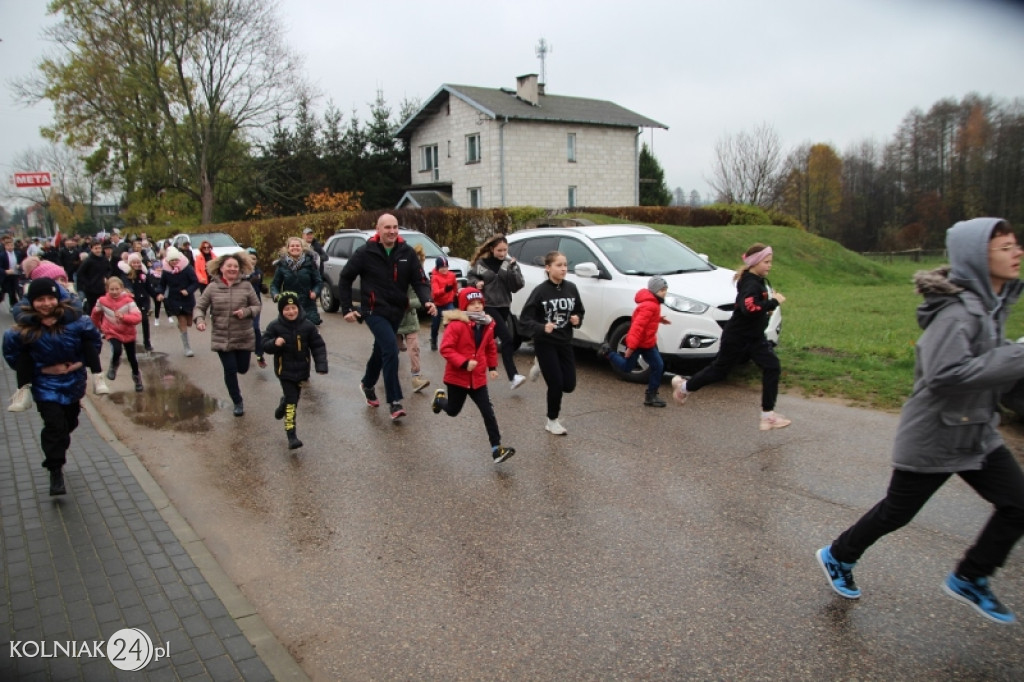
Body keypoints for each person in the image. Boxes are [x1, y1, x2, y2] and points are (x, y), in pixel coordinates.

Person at [816, 217, 1024, 625]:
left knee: (1019, 504)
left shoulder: (990, 307)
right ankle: (838, 555)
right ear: (977, 259)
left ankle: (971, 576)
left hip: (977, 432)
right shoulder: (957, 314)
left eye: (1016, 244)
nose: (1017, 253)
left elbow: (991, 370)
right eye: (1005, 247)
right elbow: (946, 375)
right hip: (935, 435)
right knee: (897, 512)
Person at [671, 243, 790, 431]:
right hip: (737, 337)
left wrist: (767, 308)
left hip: (754, 337)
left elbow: (754, 307)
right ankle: (684, 387)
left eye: (770, 262)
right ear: (755, 262)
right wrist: (772, 302)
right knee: (719, 370)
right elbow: (749, 308)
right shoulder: (751, 283)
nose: (769, 265)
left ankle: (768, 416)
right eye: (766, 262)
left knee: (772, 366)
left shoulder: (757, 280)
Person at [3, 278, 103, 495]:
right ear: (32, 302)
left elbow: (94, 344)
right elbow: (13, 356)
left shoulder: (77, 322)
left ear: (58, 299)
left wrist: (77, 364)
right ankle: (55, 470)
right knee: (54, 426)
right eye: (40, 299)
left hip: (73, 381)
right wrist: (42, 370)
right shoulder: (22, 329)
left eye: (50, 298)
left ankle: (57, 447)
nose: (46, 303)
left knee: (69, 423)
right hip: (45, 385)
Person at [339, 213, 437, 421]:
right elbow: (346, 277)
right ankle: (394, 401)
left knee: (380, 350)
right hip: (373, 310)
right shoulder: (365, 252)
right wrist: (347, 307)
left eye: (395, 227)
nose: (392, 231)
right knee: (391, 349)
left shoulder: (406, 253)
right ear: (378, 229)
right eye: (387, 228)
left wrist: (427, 299)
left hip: (396, 311)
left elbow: (420, 280)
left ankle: (367, 383)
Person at [431, 288, 515, 463]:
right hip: (457, 378)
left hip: (477, 379)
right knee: (453, 411)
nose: (477, 307)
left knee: (488, 412)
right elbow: (445, 349)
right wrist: (463, 362)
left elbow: (490, 346)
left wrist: (492, 367)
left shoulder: (487, 324)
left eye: (479, 303)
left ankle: (496, 449)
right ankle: (439, 400)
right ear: (464, 306)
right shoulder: (456, 325)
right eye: (472, 304)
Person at [518, 251, 585, 435]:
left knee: (569, 385)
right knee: (555, 384)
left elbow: (580, 310)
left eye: (565, 265)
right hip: (545, 343)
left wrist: (577, 319)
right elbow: (525, 320)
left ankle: (539, 363)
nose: (564, 269)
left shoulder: (571, 288)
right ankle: (552, 421)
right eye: (559, 265)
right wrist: (541, 327)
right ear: (548, 268)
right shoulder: (540, 291)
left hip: (564, 342)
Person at [193, 252, 262, 416]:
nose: (232, 269)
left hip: (243, 336)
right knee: (230, 370)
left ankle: (238, 388)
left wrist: (245, 312)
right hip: (222, 337)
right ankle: (237, 401)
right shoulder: (212, 287)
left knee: (243, 369)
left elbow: (257, 306)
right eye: (229, 266)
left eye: (235, 266)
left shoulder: (246, 286)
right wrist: (200, 320)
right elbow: (199, 307)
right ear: (221, 268)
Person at [261, 291, 328, 449]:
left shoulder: (308, 326)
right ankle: (291, 436)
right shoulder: (274, 326)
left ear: (298, 308)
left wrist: (321, 365)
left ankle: (283, 403)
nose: (291, 311)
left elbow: (318, 346)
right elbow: (264, 344)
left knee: (293, 399)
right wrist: (274, 343)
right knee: (293, 403)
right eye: (287, 309)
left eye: (293, 308)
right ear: (281, 311)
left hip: (302, 371)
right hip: (284, 372)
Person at [599, 276, 671, 407]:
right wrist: (631, 347)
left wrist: (659, 319)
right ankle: (608, 352)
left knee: (658, 366)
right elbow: (637, 327)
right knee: (627, 367)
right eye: (662, 290)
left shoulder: (654, 304)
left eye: (665, 289)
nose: (664, 292)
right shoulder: (649, 305)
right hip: (638, 344)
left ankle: (651, 395)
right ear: (654, 291)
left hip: (648, 343)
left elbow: (648, 319)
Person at [467, 234, 527, 389]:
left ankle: (467, 361)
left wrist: (513, 269)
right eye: (499, 250)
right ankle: (513, 376)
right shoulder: (481, 264)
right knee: (507, 338)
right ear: (492, 249)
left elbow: (517, 286)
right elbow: (470, 277)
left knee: (486, 340)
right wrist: (476, 283)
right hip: (488, 306)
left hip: (504, 306)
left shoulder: (509, 263)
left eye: (505, 250)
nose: (502, 253)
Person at [91, 276, 144, 392]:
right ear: (107, 289)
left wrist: (124, 317)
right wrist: (96, 328)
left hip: (128, 332)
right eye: (112, 289)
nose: (114, 292)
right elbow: (95, 314)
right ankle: (114, 365)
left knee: (132, 358)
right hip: (111, 331)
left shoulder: (129, 301)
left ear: (122, 289)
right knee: (117, 349)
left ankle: (137, 377)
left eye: (117, 289)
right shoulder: (102, 301)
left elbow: (138, 317)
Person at [397, 245, 430, 394]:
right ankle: (387, 373)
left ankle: (416, 378)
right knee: (391, 350)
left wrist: (409, 303)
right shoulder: (397, 275)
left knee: (414, 348)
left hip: (410, 319)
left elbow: (423, 299)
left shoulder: (420, 279)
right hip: (394, 320)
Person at [157, 246, 200, 357]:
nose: (174, 262)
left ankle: (182, 325)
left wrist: (188, 290)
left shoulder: (187, 268)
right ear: (168, 261)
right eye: (172, 260)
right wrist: (160, 293)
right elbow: (162, 284)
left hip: (187, 299)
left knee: (189, 322)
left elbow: (195, 282)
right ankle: (187, 348)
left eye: (176, 260)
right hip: (175, 299)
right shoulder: (166, 271)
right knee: (182, 322)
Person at [270, 237, 323, 326]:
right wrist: (276, 295)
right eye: (292, 246)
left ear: (302, 248)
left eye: (298, 246)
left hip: (308, 304)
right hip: (289, 305)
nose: (295, 248)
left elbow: (318, 282)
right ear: (288, 249)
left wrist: (315, 292)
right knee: (289, 333)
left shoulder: (310, 263)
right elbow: (274, 285)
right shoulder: (282, 265)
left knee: (309, 333)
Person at [118, 254, 158, 352]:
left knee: (144, 320)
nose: (136, 264)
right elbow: (126, 285)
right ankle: (128, 341)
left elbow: (149, 287)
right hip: (132, 302)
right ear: (130, 263)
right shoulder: (126, 274)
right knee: (130, 323)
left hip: (143, 301)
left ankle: (147, 343)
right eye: (134, 263)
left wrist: (156, 296)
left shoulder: (143, 274)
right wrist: (129, 291)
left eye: (138, 262)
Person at [242, 247, 267, 368]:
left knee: (255, 328)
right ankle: (243, 351)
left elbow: (260, 286)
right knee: (244, 329)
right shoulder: (239, 272)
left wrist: (263, 288)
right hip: (242, 304)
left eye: (254, 258)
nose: (252, 261)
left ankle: (259, 354)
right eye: (250, 258)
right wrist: (249, 282)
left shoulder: (258, 272)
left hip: (255, 303)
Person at [429, 256, 458, 351]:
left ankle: (450, 342)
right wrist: (445, 290)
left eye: (446, 267)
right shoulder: (435, 278)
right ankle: (433, 340)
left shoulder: (452, 275)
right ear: (438, 268)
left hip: (448, 302)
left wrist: (455, 294)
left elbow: (455, 286)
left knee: (450, 323)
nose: (444, 269)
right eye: (442, 267)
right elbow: (435, 293)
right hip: (437, 304)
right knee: (435, 325)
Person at [77, 240, 111, 315]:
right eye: (96, 248)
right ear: (92, 249)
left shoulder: (104, 259)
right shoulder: (88, 260)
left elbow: (109, 269)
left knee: (104, 307)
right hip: (91, 290)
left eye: (99, 248)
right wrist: (88, 283)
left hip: (102, 287)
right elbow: (79, 274)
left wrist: (107, 277)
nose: (98, 250)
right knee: (93, 308)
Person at [149, 259, 164, 326]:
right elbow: (151, 284)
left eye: (160, 267)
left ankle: (170, 316)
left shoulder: (163, 275)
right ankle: (156, 319)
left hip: (163, 292)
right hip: (155, 292)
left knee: (167, 303)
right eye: (157, 268)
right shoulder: (152, 275)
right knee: (157, 306)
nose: (159, 269)